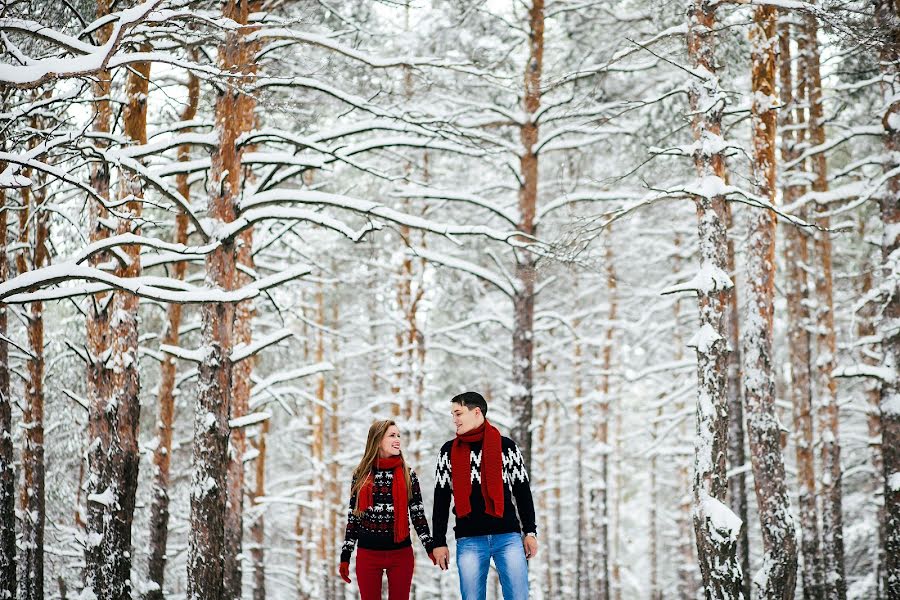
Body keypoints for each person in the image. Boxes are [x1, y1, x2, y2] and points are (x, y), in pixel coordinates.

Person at [431, 391, 538, 600]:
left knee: (518, 596)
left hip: (507, 536)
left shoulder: (506, 447)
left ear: (477, 412)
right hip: (469, 538)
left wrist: (530, 532)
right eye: (453, 414)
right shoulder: (447, 452)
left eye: (458, 413)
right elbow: (441, 500)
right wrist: (438, 542)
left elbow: (522, 491)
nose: (454, 419)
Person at [339, 420, 435, 600]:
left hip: (401, 555)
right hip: (368, 555)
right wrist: (346, 555)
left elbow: (417, 514)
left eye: (398, 435)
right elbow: (354, 517)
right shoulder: (361, 475)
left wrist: (430, 546)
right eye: (392, 435)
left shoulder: (408, 474)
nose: (398, 439)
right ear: (377, 441)